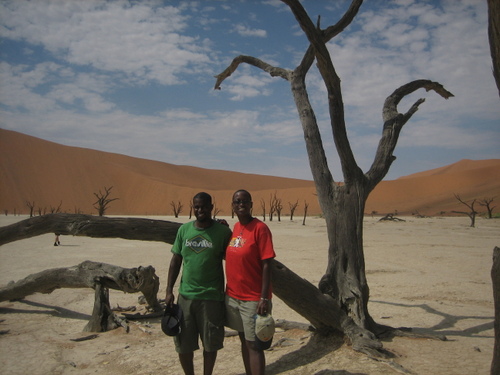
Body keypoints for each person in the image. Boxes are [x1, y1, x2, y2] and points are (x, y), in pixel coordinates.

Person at [165, 192, 232, 375]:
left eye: (204, 206)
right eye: (197, 207)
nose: (200, 210)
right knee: (183, 344)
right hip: (186, 297)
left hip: (211, 298)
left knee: (211, 344)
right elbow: (175, 260)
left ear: (211, 207)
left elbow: (235, 259)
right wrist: (169, 290)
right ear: (193, 207)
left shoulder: (223, 233)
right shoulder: (184, 230)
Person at [225, 189, 276, 375]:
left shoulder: (260, 229)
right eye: (237, 202)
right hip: (233, 297)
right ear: (233, 205)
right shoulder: (236, 228)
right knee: (244, 341)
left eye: (244, 201)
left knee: (254, 345)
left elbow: (267, 264)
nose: (241, 205)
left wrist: (264, 297)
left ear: (251, 204)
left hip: (253, 299)